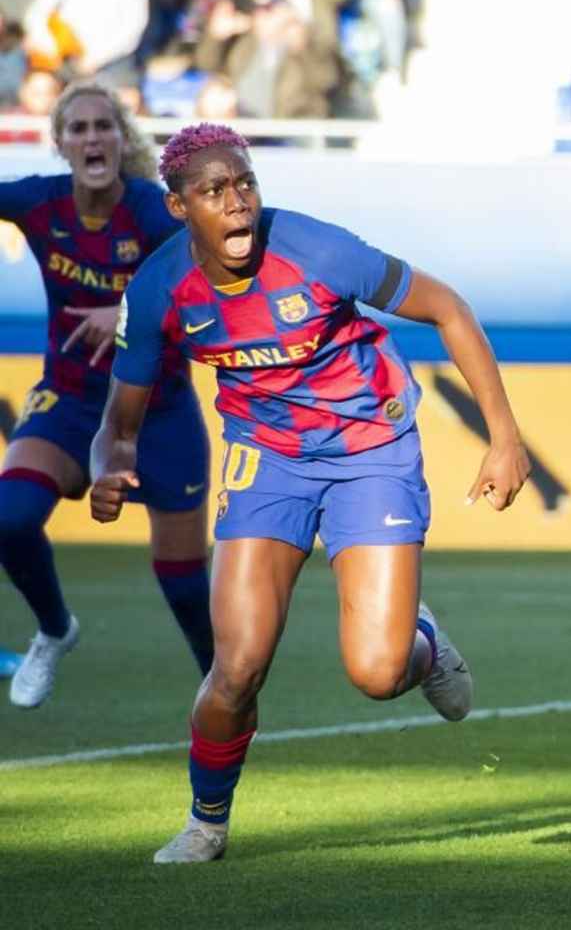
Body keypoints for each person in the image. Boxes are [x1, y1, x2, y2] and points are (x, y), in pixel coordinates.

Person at [91, 123, 531, 864]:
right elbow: (118, 423)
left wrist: (505, 437)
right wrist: (110, 466)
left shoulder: (319, 251)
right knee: (237, 666)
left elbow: (449, 308)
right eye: (213, 192)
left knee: (378, 672)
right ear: (177, 206)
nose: (236, 206)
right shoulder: (162, 290)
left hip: (370, 450)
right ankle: (206, 823)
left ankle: (420, 643)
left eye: (245, 187)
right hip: (266, 459)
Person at [0, 81, 213, 709]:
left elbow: (202, 272)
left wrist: (124, 309)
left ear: (121, 139)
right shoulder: (39, 203)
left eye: (104, 126)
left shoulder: (149, 208)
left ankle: (225, 692)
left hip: (159, 412)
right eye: (79, 128)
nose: (93, 137)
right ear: (61, 144)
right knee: (8, 520)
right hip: (68, 401)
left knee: (182, 581)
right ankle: (55, 630)